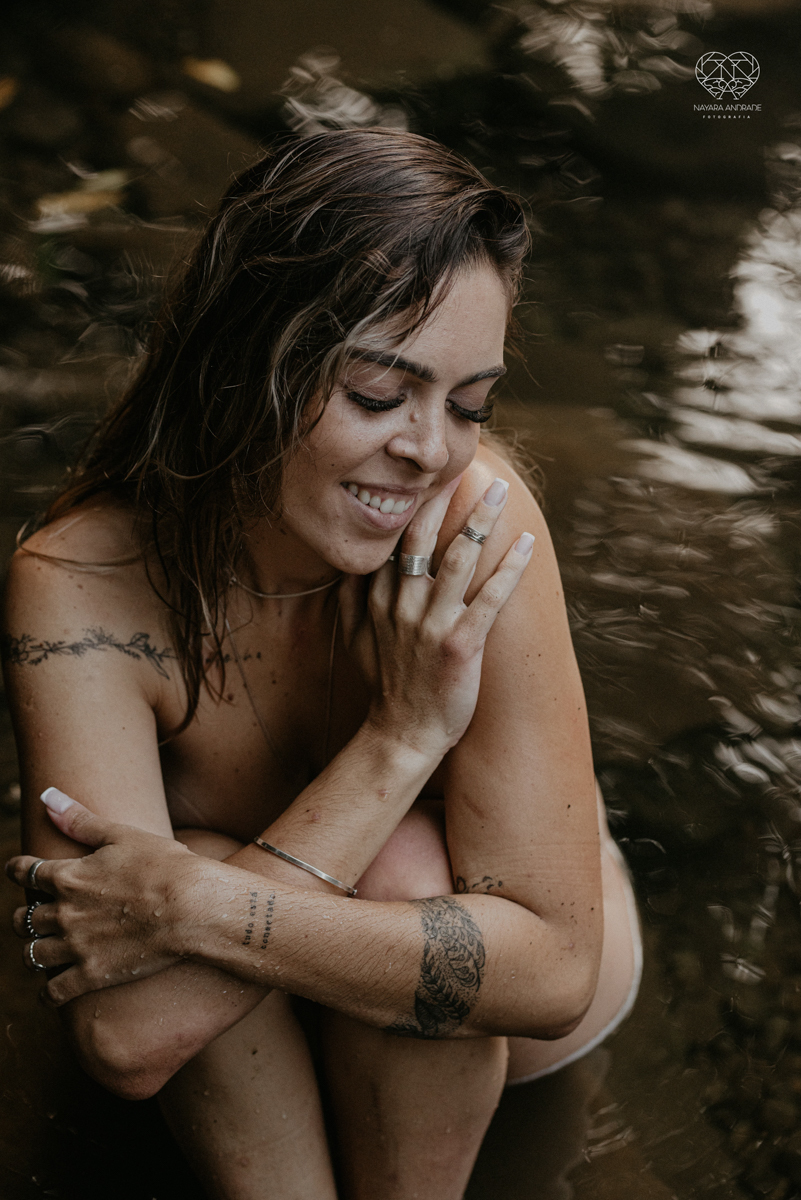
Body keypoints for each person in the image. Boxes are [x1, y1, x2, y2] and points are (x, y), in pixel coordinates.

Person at [3, 129, 640, 1200]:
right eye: (380, 395)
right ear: (245, 359)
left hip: (505, 1036)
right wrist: (398, 742)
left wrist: (197, 908)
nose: (431, 449)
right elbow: (126, 1034)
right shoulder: (79, 584)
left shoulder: (474, 527)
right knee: (215, 853)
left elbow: (556, 976)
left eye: (471, 404)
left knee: (393, 871)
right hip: (233, 1028)